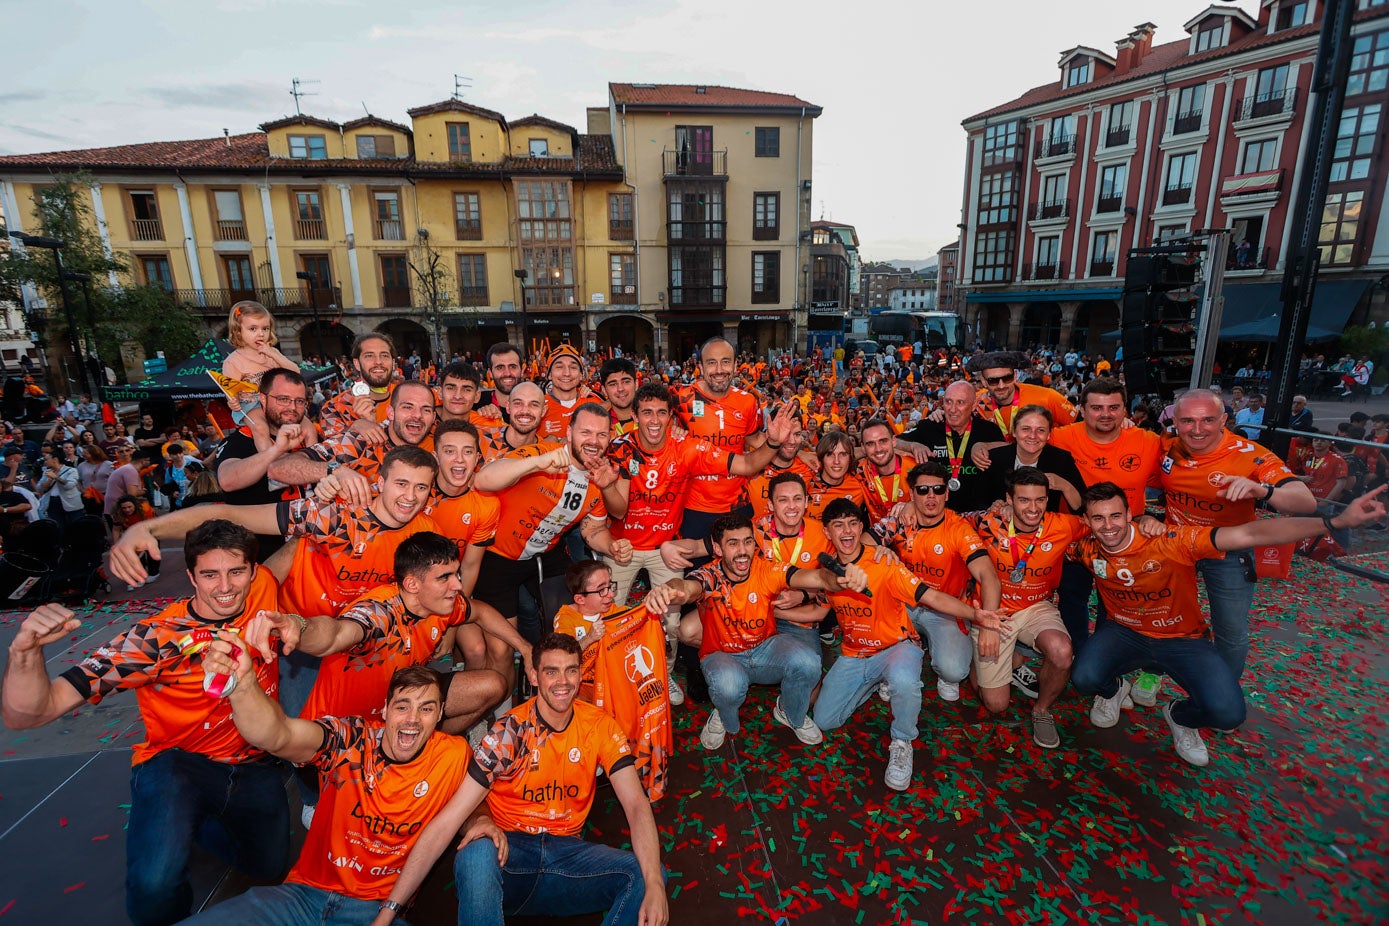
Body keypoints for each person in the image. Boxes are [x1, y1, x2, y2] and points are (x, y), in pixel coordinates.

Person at [2, 521, 290, 926]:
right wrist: (24, 652)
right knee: (153, 885)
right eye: (209, 574)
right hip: (180, 766)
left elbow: (297, 538)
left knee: (268, 865)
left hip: (256, 763)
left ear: (252, 571)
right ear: (190, 576)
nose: (225, 586)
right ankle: (178, 817)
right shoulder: (152, 641)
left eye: (236, 572)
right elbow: (30, 712)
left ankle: (197, 821)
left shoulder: (262, 590)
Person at [1074, 482, 1386, 765]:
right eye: (1098, 519)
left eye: (1115, 516)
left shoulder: (1171, 539)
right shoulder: (1085, 548)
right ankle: (1114, 689)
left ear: (1130, 513)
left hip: (1182, 639)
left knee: (1228, 714)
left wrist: (1337, 522)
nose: (1108, 526)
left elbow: (1249, 534)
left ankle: (1181, 716)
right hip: (1125, 633)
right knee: (1084, 678)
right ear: (1086, 522)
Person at [370, 633, 669, 926]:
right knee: (476, 851)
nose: (562, 682)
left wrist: (654, 883)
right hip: (508, 858)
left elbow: (635, 805)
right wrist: (388, 912)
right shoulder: (509, 732)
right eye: (551, 671)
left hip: (566, 863)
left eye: (571, 670)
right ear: (534, 675)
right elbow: (449, 820)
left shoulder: (600, 725)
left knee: (650, 875)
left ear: (580, 674)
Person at [179, 662, 500, 926]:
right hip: (302, 898)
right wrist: (243, 685)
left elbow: (469, 805)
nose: (413, 720)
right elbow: (277, 735)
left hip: (376, 909)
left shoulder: (452, 755)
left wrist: (482, 822)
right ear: (386, 710)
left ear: (441, 711)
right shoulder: (350, 739)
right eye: (403, 706)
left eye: (426, 708)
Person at [812, 497, 1004, 789]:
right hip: (855, 654)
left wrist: (977, 615)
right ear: (827, 532)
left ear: (861, 527)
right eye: (838, 525)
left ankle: (902, 740)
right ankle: (875, 681)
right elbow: (817, 604)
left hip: (896, 646)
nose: (846, 532)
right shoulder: (826, 571)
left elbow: (932, 597)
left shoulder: (883, 562)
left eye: (852, 524)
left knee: (904, 680)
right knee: (825, 720)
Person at [251, 532, 518, 735]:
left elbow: (480, 611)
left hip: (397, 710)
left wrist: (527, 650)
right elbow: (335, 634)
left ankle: (425, 745)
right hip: (343, 736)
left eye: (456, 574)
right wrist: (299, 626)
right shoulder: (379, 613)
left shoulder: (438, 603)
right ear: (412, 584)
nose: (458, 585)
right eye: (445, 577)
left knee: (494, 684)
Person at [647, 514, 855, 751]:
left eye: (747, 541)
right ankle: (725, 717)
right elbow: (687, 588)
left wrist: (841, 578)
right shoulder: (710, 574)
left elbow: (817, 576)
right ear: (717, 548)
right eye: (733, 543)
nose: (742, 551)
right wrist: (668, 590)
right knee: (728, 686)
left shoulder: (766, 569)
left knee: (809, 663)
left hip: (765, 649)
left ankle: (789, 713)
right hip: (723, 654)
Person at [1157, 389, 1316, 682]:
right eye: (1188, 421)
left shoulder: (1250, 455)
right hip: (1176, 545)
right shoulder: (1167, 445)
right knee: (1162, 617)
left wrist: (1262, 491)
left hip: (1228, 553)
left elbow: (1306, 501)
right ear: (1175, 422)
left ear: (1224, 420)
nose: (1197, 429)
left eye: (1208, 420)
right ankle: (1152, 676)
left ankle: (1223, 694)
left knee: (1230, 630)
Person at [471, 402, 631, 644]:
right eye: (585, 432)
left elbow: (593, 529)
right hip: (497, 556)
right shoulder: (541, 453)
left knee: (579, 612)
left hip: (544, 554)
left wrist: (611, 547)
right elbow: (483, 480)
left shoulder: (599, 474)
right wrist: (537, 463)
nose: (593, 441)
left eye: (601, 434)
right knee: (501, 647)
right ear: (569, 433)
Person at [966, 468, 1087, 748]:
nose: (1033, 509)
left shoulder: (1063, 525)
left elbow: (1104, 524)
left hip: (1035, 606)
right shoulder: (988, 522)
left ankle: (1042, 710)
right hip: (994, 610)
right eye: (1023, 500)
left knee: (1061, 651)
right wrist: (910, 505)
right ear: (1008, 499)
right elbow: (948, 519)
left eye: (1040, 500)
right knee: (995, 704)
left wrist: (1143, 521)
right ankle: (993, 660)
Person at [871, 461, 1002, 702]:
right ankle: (892, 668)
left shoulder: (959, 528)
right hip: (905, 606)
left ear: (947, 492)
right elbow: (863, 541)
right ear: (912, 494)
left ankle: (941, 666)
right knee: (872, 613)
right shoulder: (900, 520)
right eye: (922, 490)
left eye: (938, 489)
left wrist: (989, 624)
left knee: (954, 670)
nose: (930, 496)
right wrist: (879, 550)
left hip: (947, 609)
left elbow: (988, 576)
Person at [674, 337, 772, 540]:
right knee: (697, 571)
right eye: (711, 362)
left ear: (736, 365)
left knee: (739, 570)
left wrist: (798, 451)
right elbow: (639, 408)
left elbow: (755, 440)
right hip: (694, 507)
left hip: (737, 505)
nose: (719, 369)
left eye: (726, 361)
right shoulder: (680, 397)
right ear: (700, 366)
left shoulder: (747, 401)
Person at [213, 367, 313, 561]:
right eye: (283, 399)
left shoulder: (309, 436)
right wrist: (274, 451)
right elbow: (227, 479)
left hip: (310, 558)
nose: (292, 407)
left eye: (299, 401)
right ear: (263, 399)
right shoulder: (242, 439)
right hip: (264, 561)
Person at [897, 381, 1006, 514]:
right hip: (939, 516)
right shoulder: (929, 426)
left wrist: (984, 445)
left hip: (981, 513)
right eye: (948, 402)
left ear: (973, 406)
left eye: (960, 402)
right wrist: (912, 445)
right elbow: (893, 442)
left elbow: (1010, 450)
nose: (953, 409)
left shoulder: (989, 430)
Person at [970, 351, 1076, 434]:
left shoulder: (1047, 396)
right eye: (993, 380)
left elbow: (1081, 427)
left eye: (1007, 378)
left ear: (1015, 376)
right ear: (983, 381)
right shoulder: (976, 402)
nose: (1001, 385)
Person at [319, 333, 397, 435]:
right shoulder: (333, 409)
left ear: (393, 363)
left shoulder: (408, 397)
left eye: (384, 355)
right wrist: (356, 428)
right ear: (357, 364)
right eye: (369, 356)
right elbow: (333, 449)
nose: (378, 362)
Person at [599, 356, 639, 440]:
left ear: (636, 384)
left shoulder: (653, 419)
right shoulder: (596, 425)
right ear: (604, 390)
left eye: (626, 382)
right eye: (613, 384)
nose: (620, 389)